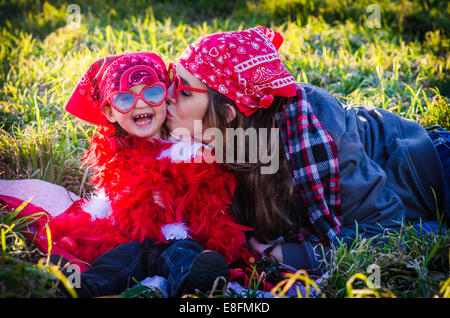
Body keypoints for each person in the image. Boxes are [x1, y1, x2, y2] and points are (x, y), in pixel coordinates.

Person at [164, 26, 450, 275]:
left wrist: (290, 255)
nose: (168, 94)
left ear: (226, 114)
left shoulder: (319, 142)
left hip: (431, 169)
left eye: (184, 91)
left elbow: (388, 229)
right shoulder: (205, 135)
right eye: (171, 80)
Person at [12, 51, 250, 297]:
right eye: (125, 99)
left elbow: (207, 202)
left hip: (176, 237)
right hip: (129, 239)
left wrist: (170, 200)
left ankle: (197, 283)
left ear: (166, 97)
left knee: (183, 254)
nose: (141, 103)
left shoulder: (188, 146)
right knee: (118, 261)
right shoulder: (117, 153)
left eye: (153, 92)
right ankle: (80, 285)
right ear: (110, 114)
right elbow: (108, 201)